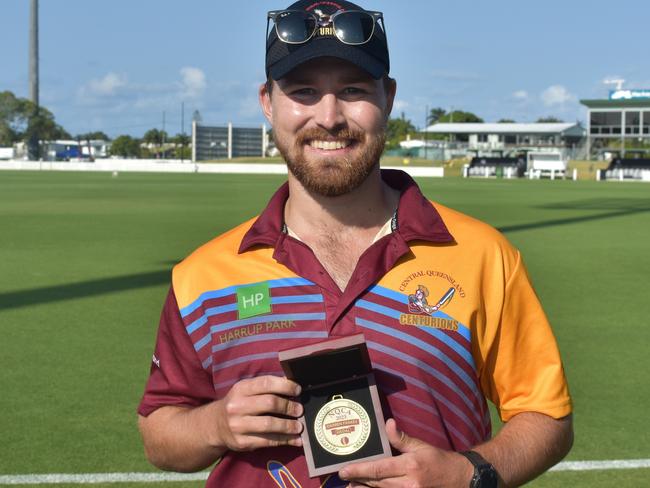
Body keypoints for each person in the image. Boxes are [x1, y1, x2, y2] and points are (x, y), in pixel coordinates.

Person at [137, 1, 573, 487]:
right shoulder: (203, 275)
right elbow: (159, 432)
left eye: (352, 90)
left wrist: (467, 475)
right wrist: (214, 423)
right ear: (267, 101)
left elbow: (547, 417)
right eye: (303, 92)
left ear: (388, 97)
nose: (328, 116)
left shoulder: (482, 255)